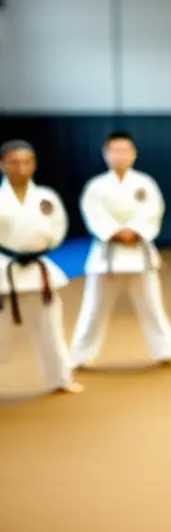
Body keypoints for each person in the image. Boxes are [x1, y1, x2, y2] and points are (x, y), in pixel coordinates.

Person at [68, 131, 171, 370]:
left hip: (140, 252)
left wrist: (136, 231)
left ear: (134, 154)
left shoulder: (145, 183)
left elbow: (153, 212)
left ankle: (166, 352)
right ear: (106, 154)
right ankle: (79, 356)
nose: (120, 155)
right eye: (115, 150)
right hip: (107, 254)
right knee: (93, 308)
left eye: (125, 150)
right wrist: (114, 232)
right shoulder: (96, 186)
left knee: (152, 306)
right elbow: (93, 214)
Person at [0, 140, 82, 395]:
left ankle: (60, 378)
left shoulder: (46, 197)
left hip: (38, 268)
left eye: (26, 161)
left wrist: (38, 248)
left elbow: (58, 228)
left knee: (51, 330)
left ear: (34, 164)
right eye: (14, 162)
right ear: (2, 165)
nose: (20, 167)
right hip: (5, 268)